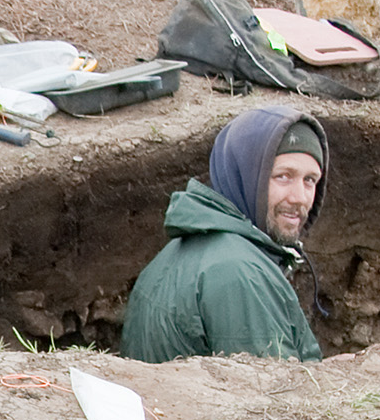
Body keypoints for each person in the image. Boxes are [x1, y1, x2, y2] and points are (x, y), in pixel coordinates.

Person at [121, 107, 328, 364]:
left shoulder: (193, 248)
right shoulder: (240, 273)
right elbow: (275, 396)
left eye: (310, 180)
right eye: (283, 176)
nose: (299, 198)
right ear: (245, 175)